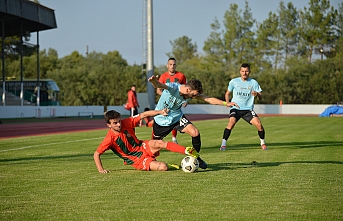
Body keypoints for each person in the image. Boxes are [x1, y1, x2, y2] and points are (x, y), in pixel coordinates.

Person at [148, 75, 239, 169]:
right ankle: (149, 161)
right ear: (188, 90)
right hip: (161, 121)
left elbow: (208, 99)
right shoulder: (173, 87)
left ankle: (195, 158)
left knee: (195, 133)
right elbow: (159, 85)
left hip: (177, 118)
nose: (195, 96)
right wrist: (154, 81)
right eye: (194, 94)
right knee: (154, 148)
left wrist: (226, 103)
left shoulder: (190, 94)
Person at [93, 109, 199, 173]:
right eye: (115, 123)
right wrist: (100, 169)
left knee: (160, 142)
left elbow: (143, 115)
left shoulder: (127, 122)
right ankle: (170, 165)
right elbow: (96, 154)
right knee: (163, 167)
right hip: (136, 160)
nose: (119, 124)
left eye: (119, 121)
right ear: (109, 125)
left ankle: (187, 151)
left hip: (142, 146)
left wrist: (160, 112)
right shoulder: (109, 139)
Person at [220, 63, 267, 151]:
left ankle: (263, 143)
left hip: (248, 109)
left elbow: (260, 97)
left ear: (249, 72)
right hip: (236, 108)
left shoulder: (254, 82)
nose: (244, 73)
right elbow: (227, 93)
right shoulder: (234, 81)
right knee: (231, 123)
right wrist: (227, 103)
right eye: (243, 71)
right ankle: (223, 145)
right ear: (240, 72)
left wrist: (257, 94)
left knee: (259, 125)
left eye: (246, 71)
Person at [156, 58, 187, 144]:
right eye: (170, 64)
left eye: (174, 64)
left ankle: (174, 138)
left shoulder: (181, 76)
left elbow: (186, 90)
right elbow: (158, 90)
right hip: (165, 103)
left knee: (174, 118)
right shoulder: (163, 76)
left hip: (176, 103)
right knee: (159, 120)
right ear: (167, 65)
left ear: (176, 66)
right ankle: (156, 140)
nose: (172, 66)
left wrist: (185, 101)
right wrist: (165, 97)